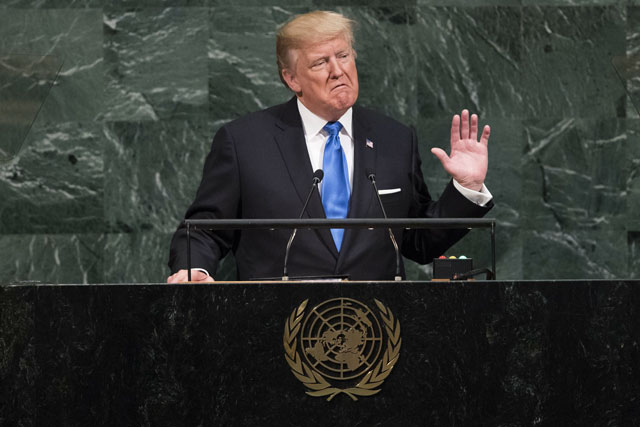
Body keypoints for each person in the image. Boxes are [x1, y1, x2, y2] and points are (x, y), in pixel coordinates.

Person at [167, 10, 493, 283]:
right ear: (292, 79)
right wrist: (192, 267)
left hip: (378, 336)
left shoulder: (395, 138)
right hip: (274, 332)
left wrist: (466, 188)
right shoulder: (244, 142)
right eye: (321, 62)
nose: (338, 71)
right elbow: (205, 229)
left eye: (343, 56)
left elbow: (418, 239)